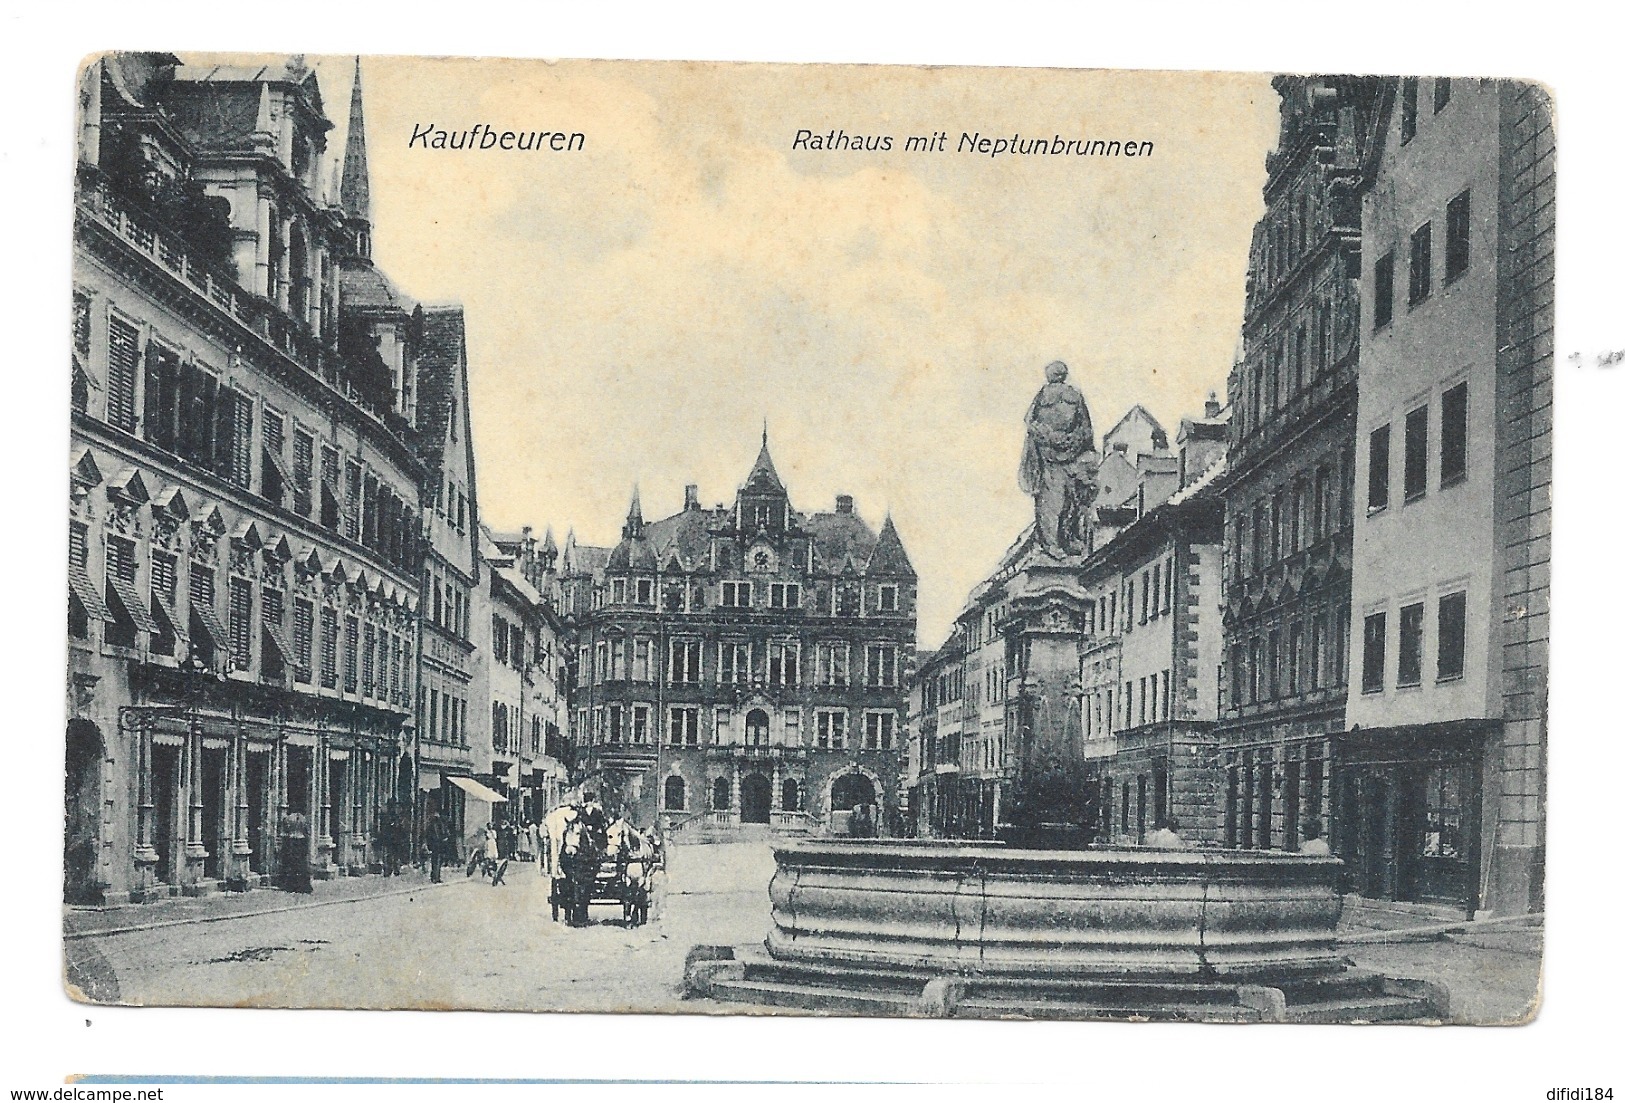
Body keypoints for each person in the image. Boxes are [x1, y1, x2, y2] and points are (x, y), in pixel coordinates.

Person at [1018, 361, 1100, 559]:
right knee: (1068, 501)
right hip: (1069, 456)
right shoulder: (1076, 396)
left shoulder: (1042, 397)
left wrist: (1049, 438)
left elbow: (1030, 423)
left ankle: (1053, 544)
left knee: (1052, 502)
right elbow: (1086, 430)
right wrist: (1071, 441)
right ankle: (1063, 541)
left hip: (1050, 458)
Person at [423, 808, 449, 883]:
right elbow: (433, 835)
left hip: (437, 844)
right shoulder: (435, 824)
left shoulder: (440, 823)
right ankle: (435, 877)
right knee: (436, 861)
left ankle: (436, 876)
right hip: (436, 844)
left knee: (437, 861)